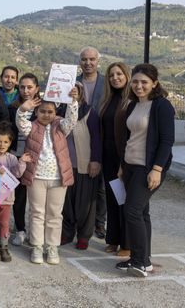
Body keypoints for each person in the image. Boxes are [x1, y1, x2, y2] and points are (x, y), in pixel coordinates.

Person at [116, 64, 174, 278]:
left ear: (154, 84)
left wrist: (157, 169)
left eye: (144, 82)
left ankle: (139, 261)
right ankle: (142, 260)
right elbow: (129, 138)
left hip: (147, 168)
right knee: (142, 213)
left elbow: (167, 141)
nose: (139, 86)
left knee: (132, 211)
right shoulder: (133, 105)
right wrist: (122, 165)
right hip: (130, 166)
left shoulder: (162, 106)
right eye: (136, 82)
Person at [17, 86, 78, 265]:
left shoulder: (61, 126)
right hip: (36, 178)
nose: (46, 114)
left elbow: (72, 120)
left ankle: (52, 247)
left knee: (54, 214)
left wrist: (73, 102)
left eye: (50, 111)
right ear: (36, 111)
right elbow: (21, 121)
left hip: (58, 178)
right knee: (36, 212)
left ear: (55, 112)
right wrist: (23, 108)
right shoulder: (31, 127)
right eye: (42, 111)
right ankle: (36, 246)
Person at [61, 82, 101, 250]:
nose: (73, 93)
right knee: (66, 203)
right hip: (64, 166)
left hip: (84, 165)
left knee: (86, 204)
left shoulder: (90, 112)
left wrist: (96, 160)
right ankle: (67, 233)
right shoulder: (59, 112)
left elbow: (96, 138)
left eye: (76, 91)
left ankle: (84, 236)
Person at [99, 62, 132, 256]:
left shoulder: (131, 101)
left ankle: (127, 244)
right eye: (111, 75)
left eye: (119, 74)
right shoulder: (108, 100)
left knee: (124, 200)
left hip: (124, 157)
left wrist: (124, 162)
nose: (115, 78)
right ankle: (112, 238)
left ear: (126, 76)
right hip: (107, 157)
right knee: (112, 198)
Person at [0, 123, 29, 262]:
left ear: (10, 143)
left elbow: (18, 173)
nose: (2, 145)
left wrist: (22, 162)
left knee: (4, 223)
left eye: (5, 142)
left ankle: (3, 246)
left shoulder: (12, 158)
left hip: (7, 197)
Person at [76, 47, 107, 239]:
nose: (88, 63)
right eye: (84, 59)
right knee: (80, 182)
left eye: (92, 59)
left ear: (98, 61)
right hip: (78, 137)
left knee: (101, 185)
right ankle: (78, 221)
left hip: (101, 135)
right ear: (80, 62)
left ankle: (99, 223)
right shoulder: (72, 82)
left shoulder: (106, 83)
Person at [9, 73, 41, 247]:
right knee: (19, 197)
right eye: (22, 87)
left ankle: (35, 232)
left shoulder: (43, 107)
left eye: (29, 87)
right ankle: (20, 229)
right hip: (18, 156)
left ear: (36, 88)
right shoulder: (14, 107)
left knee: (36, 198)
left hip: (37, 158)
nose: (26, 90)